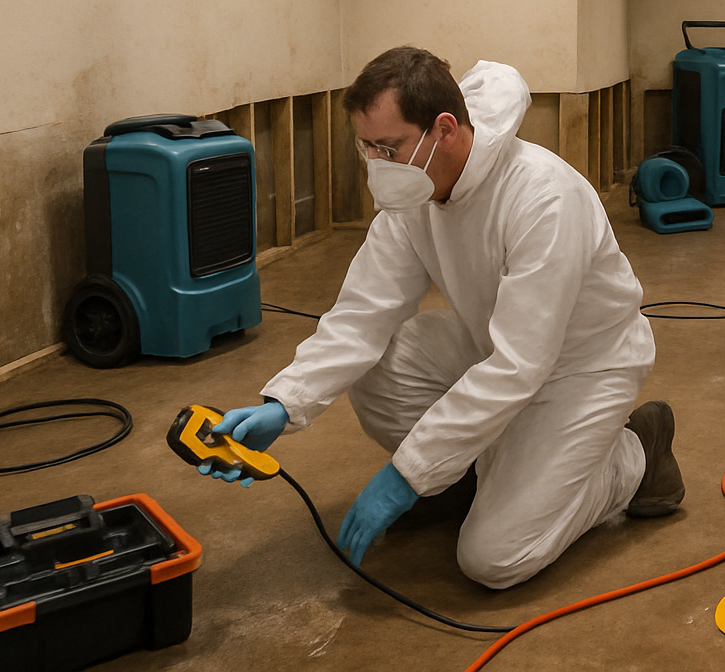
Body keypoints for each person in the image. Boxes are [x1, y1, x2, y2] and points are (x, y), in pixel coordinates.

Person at [205, 46, 683, 588]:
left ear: (445, 130)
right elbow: (364, 312)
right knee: (379, 361)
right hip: (497, 346)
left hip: (583, 369)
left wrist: (406, 475)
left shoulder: (542, 197)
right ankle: (469, 477)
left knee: (494, 559)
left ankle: (634, 454)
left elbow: (520, 366)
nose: (377, 164)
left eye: (389, 146)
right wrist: (283, 403)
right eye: (367, 147)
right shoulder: (416, 192)